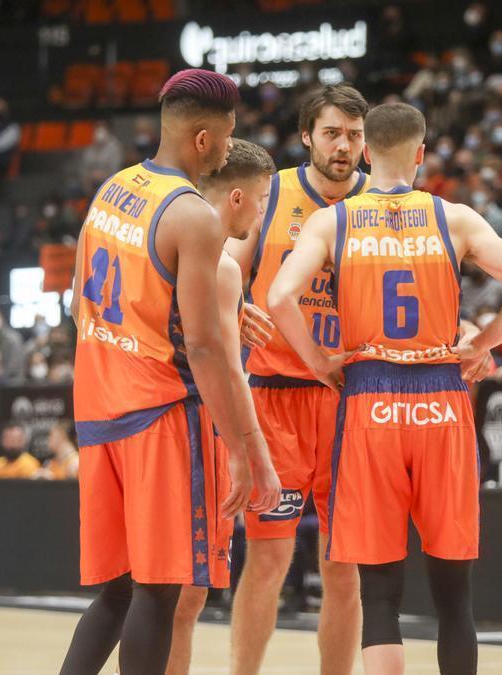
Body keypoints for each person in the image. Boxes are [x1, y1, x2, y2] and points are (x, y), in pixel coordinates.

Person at [269, 102, 502, 675]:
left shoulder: (334, 220)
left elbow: (278, 298)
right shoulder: (456, 218)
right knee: (455, 599)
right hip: (441, 398)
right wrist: (486, 342)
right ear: (422, 154)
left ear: (367, 153)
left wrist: (321, 361)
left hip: (369, 396)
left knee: (379, 597)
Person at [58, 69, 280, 675]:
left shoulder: (112, 188)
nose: (232, 147)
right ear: (204, 139)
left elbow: (79, 295)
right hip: (159, 416)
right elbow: (208, 351)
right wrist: (240, 448)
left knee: (117, 591)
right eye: (230, 135)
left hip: (98, 410)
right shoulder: (193, 216)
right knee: (159, 589)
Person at [219, 84, 369, 675]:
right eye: (332, 133)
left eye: (354, 135)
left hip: (350, 401)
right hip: (275, 399)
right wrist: (230, 304)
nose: (344, 146)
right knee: (269, 557)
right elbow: (228, 262)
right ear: (307, 136)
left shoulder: (382, 202)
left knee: (344, 564)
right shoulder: (274, 190)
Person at [167, 138, 277, 675]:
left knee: (142, 594)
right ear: (236, 197)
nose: (261, 214)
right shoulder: (220, 264)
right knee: (183, 596)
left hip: (132, 418)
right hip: (192, 426)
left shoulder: (161, 231)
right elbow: (227, 370)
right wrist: (254, 456)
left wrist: (234, 312)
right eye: (259, 202)